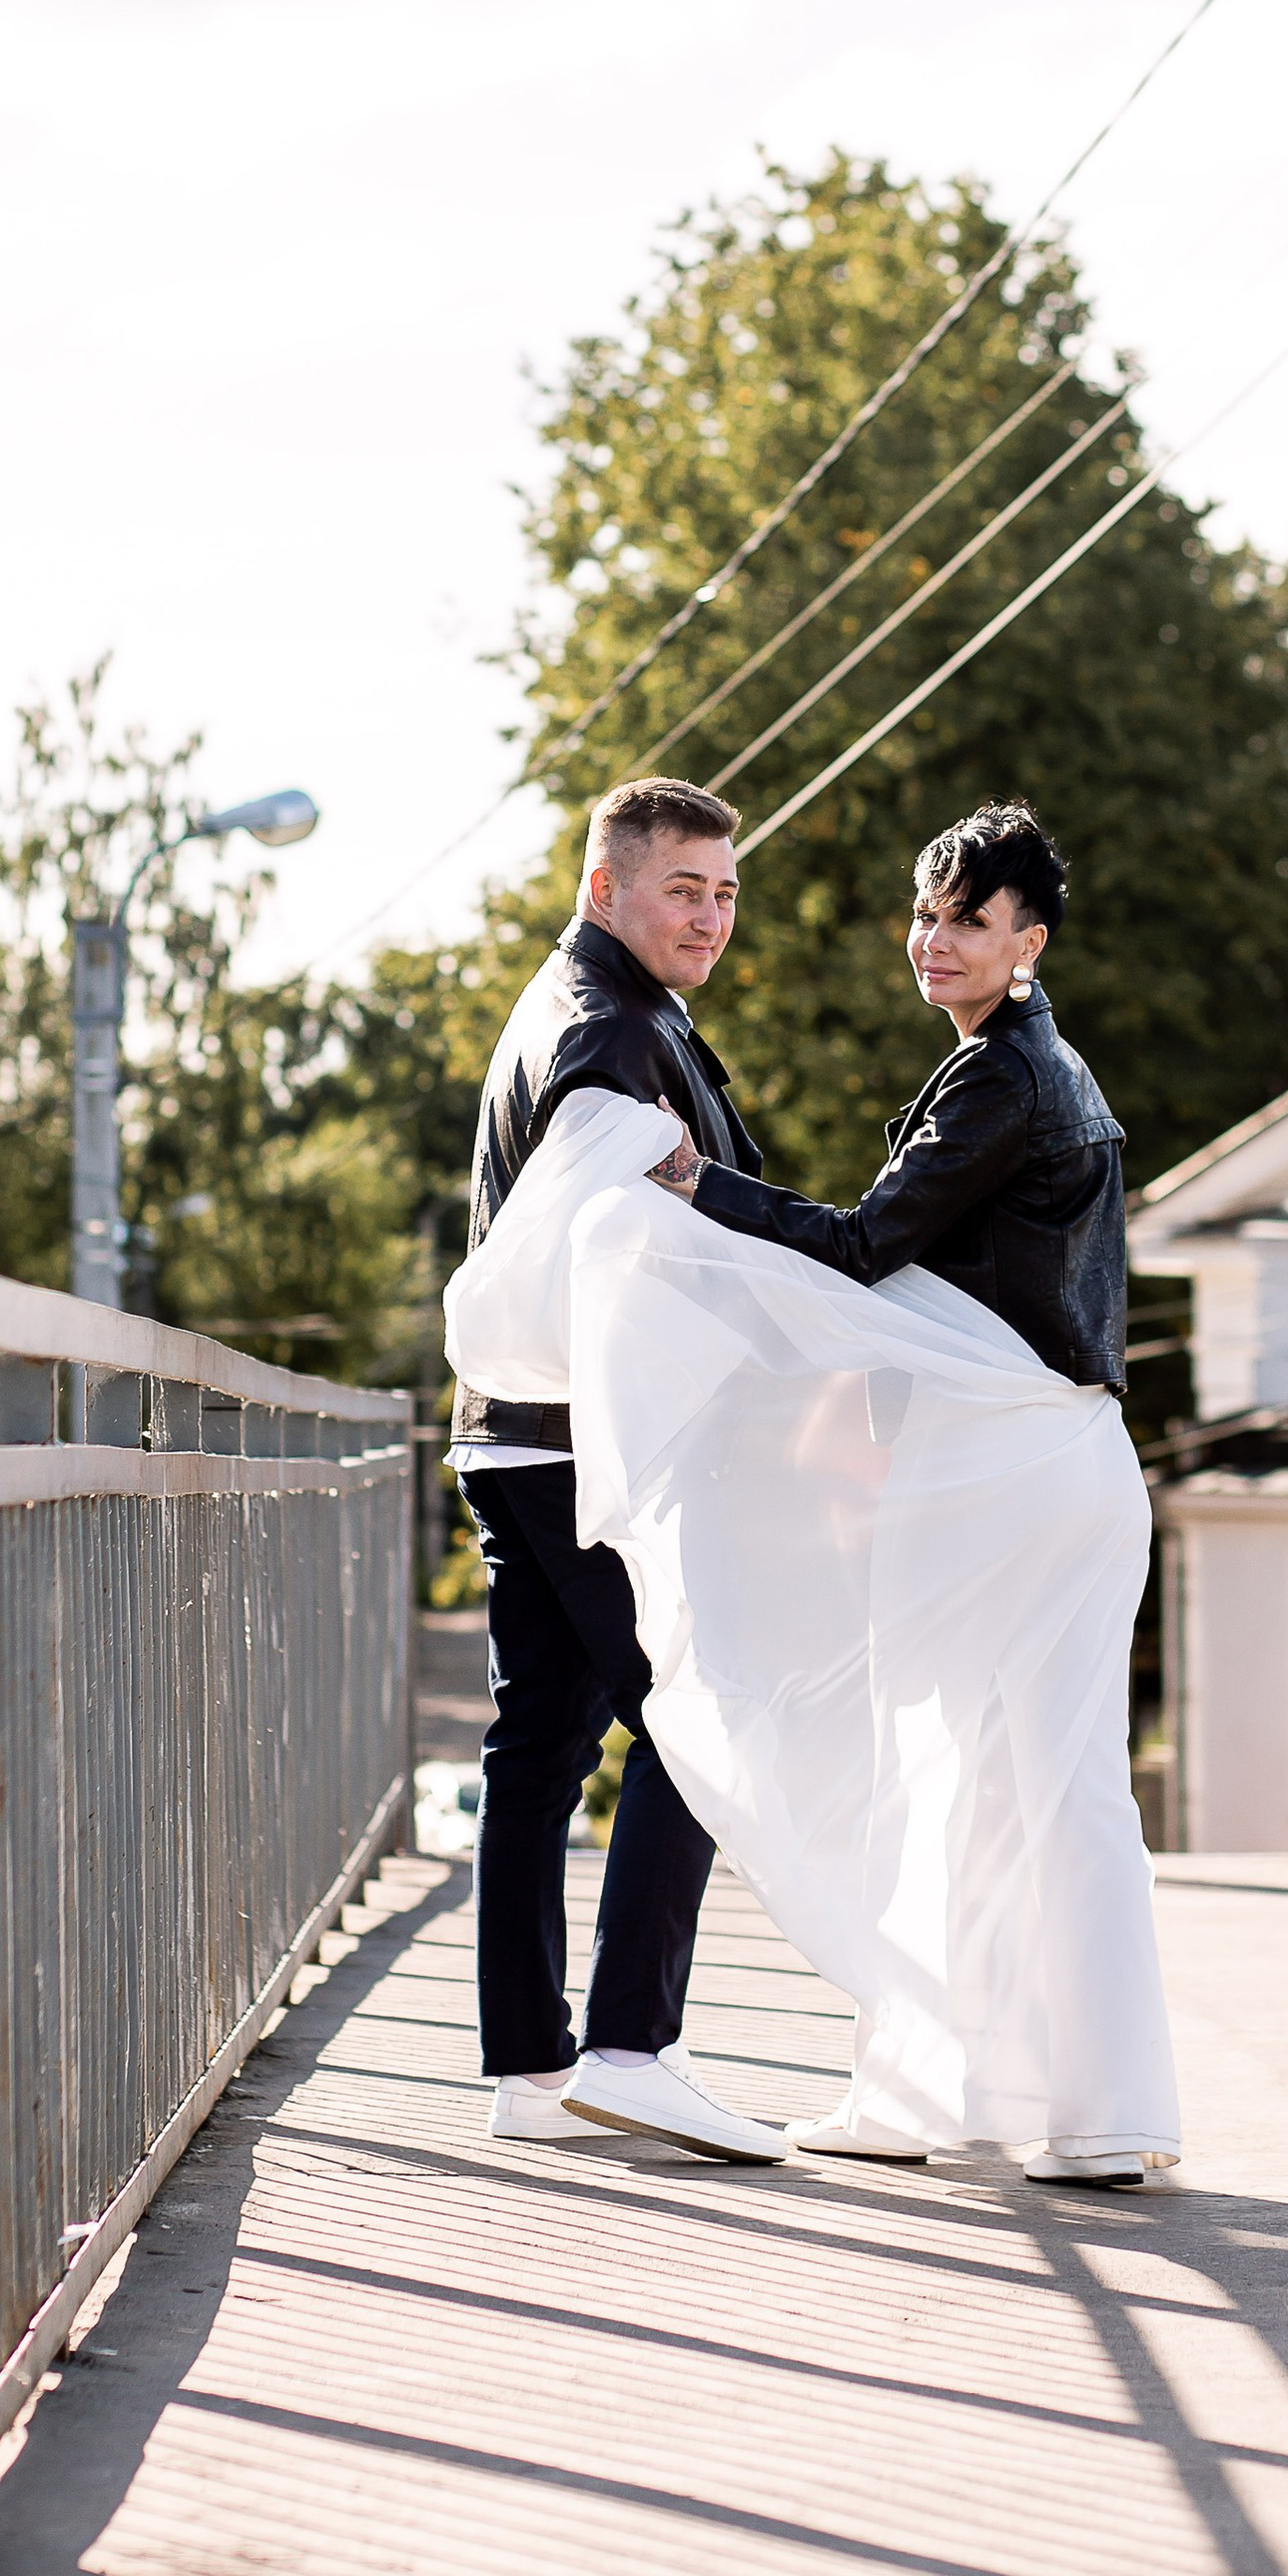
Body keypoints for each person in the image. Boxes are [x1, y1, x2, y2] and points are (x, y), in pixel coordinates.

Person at [446, 794, 1178, 2187]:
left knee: (1002, 1779)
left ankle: (1063, 2107)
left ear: (1030, 939)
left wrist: (703, 1189)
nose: (934, 941)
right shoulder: (618, 1027)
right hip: (982, 1465)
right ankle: (700, 2069)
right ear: (607, 887)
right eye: (927, 913)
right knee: (901, 1760)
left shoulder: (1005, 1076)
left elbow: (860, 1248)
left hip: (1019, 1477)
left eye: (968, 920)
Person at [450, 775, 789, 2163]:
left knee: (537, 1745)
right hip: (588, 1443)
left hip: (512, 1428)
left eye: (722, 890)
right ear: (609, 891)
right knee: (692, 1720)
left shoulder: (576, 1002)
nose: (708, 915)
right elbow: (648, 1210)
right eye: (680, 889)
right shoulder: (605, 1030)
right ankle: (632, 2045)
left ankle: (531, 2075)